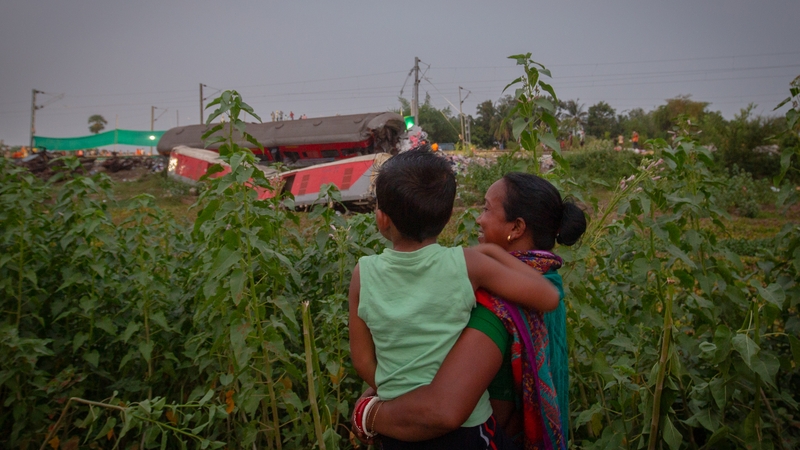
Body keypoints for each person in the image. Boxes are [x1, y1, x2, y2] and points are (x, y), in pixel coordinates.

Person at [354, 172, 587, 450]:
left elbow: (444, 410)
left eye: (487, 209)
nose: (478, 218)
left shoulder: (499, 303)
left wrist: (367, 414)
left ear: (517, 227)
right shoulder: (545, 278)